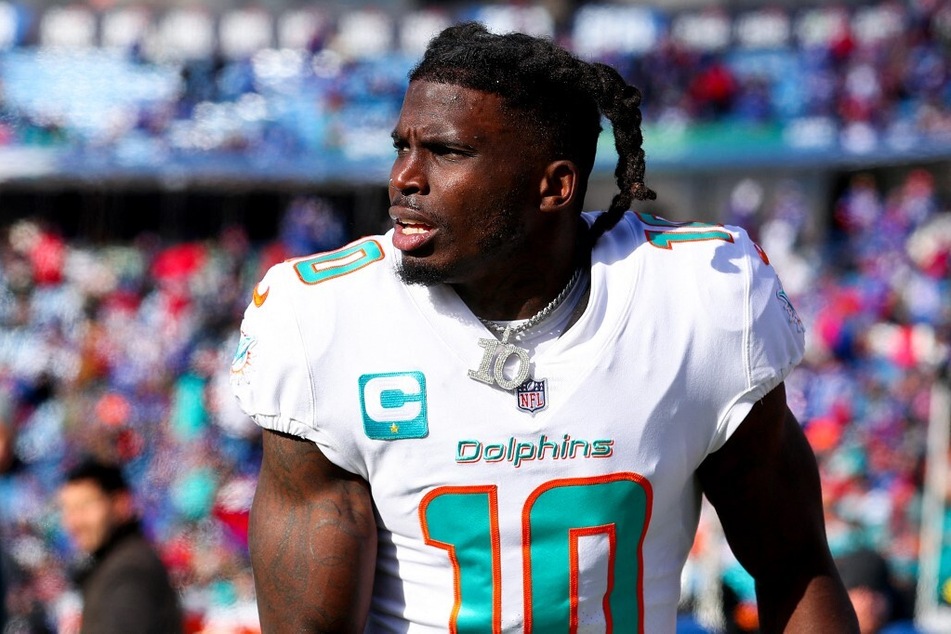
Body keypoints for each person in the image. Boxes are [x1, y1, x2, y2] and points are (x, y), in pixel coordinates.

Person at [231, 22, 859, 632]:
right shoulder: (324, 319)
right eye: (403, 147)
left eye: (446, 151)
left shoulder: (701, 300)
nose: (405, 179)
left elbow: (795, 568)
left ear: (555, 185)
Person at [58, 458, 183, 634]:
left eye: (84, 506)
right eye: (68, 509)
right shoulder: (112, 563)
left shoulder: (129, 571)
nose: (73, 522)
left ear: (121, 504)